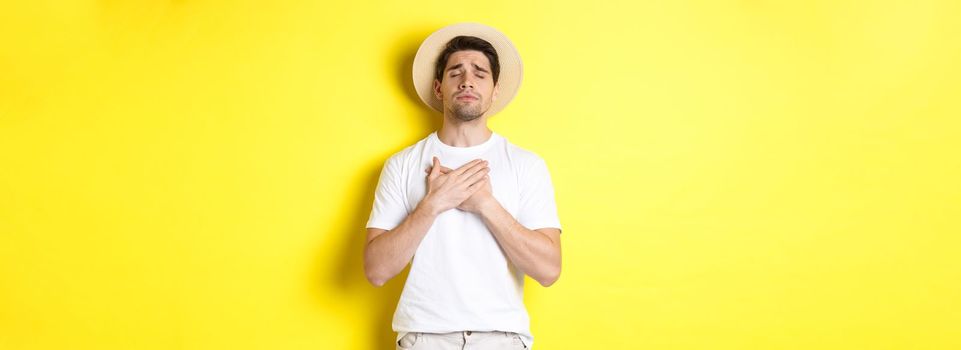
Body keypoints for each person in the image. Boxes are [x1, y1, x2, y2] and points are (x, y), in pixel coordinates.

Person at [365, 22, 562, 350]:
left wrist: (485, 204)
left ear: (495, 90)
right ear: (439, 88)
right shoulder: (401, 165)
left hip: (502, 339)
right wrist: (433, 204)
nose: (467, 80)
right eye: (456, 72)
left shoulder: (527, 165)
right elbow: (376, 270)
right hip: (425, 339)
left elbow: (548, 270)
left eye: (480, 73)